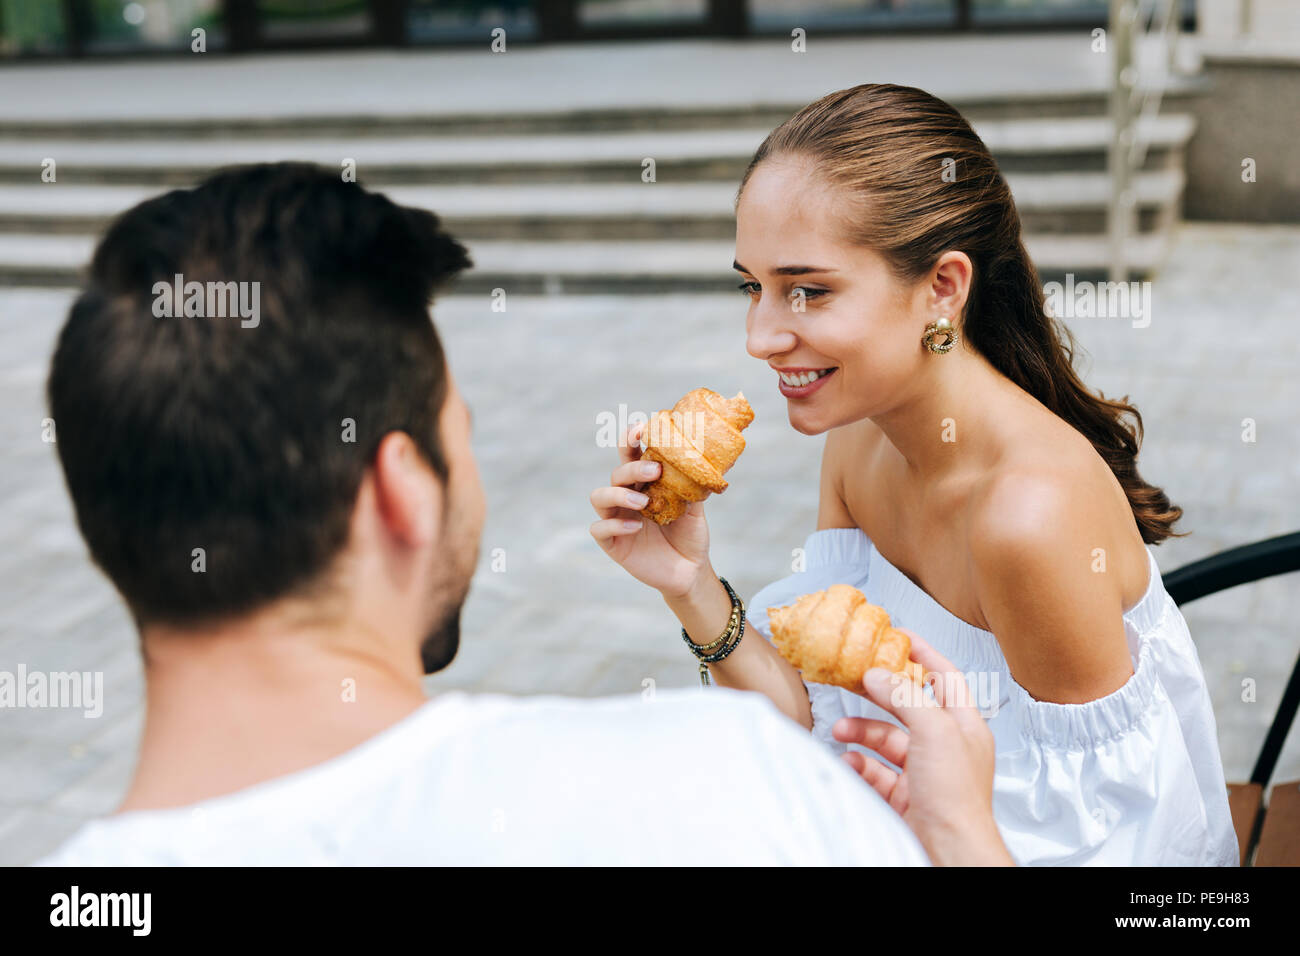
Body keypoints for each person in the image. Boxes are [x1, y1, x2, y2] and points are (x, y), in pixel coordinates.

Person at [35, 162, 1011, 866]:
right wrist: (964, 838)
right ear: (402, 492)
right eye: (460, 434)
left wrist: (693, 590)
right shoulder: (728, 781)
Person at [590, 83, 1237, 866]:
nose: (760, 336)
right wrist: (690, 585)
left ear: (942, 289)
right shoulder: (860, 439)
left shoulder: (1026, 522)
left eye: (809, 291)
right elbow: (822, 716)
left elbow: (1127, 855)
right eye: (751, 287)